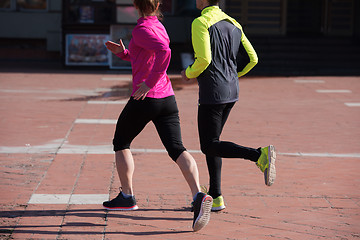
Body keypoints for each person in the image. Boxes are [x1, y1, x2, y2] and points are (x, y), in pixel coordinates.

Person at [103, 0, 212, 232]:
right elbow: (144, 57)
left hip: (147, 98)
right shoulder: (158, 26)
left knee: (121, 142)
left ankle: (127, 197)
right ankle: (198, 196)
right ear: (158, 4)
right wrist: (123, 53)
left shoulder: (141, 29)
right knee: (177, 148)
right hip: (167, 99)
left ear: (135, 5)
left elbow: (165, 52)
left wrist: (148, 83)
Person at [181, 0, 276, 212]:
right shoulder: (234, 23)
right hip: (232, 91)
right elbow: (253, 59)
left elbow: (203, 60)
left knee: (209, 145)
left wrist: (187, 73)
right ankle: (216, 197)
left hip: (213, 93)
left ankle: (258, 155)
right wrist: (233, 76)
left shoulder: (200, 22)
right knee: (214, 142)